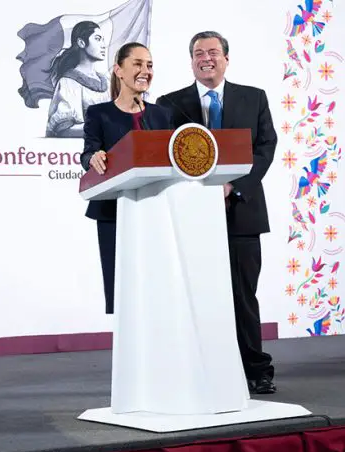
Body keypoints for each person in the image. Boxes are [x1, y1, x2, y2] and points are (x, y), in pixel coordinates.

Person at [155, 31, 277, 394]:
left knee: (242, 294)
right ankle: (199, 369)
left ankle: (256, 369)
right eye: (197, 53)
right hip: (191, 214)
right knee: (195, 294)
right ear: (191, 61)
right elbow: (165, 154)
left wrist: (233, 187)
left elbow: (266, 147)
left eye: (212, 52)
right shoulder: (170, 103)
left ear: (226, 58)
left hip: (242, 211)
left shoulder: (254, 98)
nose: (205, 58)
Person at [80, 42, 174, 314]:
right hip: (113, 212)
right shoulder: (99, 114)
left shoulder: (161, 115)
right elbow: (88, 152)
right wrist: (93, 158)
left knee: (156, 290)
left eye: (150, 65)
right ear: (118, 70)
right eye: (138, 63)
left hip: (155, 211)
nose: (145, 70)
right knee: (121, 290)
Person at [46, 21, 111, 138]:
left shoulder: (107, 82)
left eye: (102, 40)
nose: (103, 45)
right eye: (97, 39)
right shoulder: (68, 82)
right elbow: (64, 129)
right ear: (81, 42)